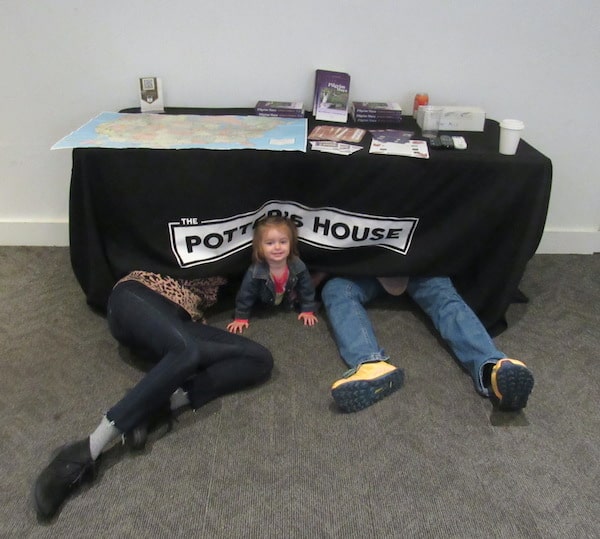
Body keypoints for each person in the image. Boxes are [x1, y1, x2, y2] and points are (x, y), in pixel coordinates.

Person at [33, 271, 273, 521]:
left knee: (259, 359)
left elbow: (284, 252)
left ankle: (157, 405)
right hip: (136, 296)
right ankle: (87, 449)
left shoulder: (241, 249)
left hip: (180, 322)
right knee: (185, 351)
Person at [321, 275, 534, 413]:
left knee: (446, 301)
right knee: (336, 290)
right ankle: (371, 364)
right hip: (365, 268)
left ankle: (492, 370)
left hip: (421, 266)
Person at [227, 216, 318, 334]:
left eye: (283, 242)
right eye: (270, 243)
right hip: (263, 306)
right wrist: (241, 317)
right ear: (260, 247)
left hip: (287, 302)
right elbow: (246, 294)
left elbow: (306, 288)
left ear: (291, 243)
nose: (277, 247)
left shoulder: (297, 265)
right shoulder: (255, 271)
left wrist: (307, 309)